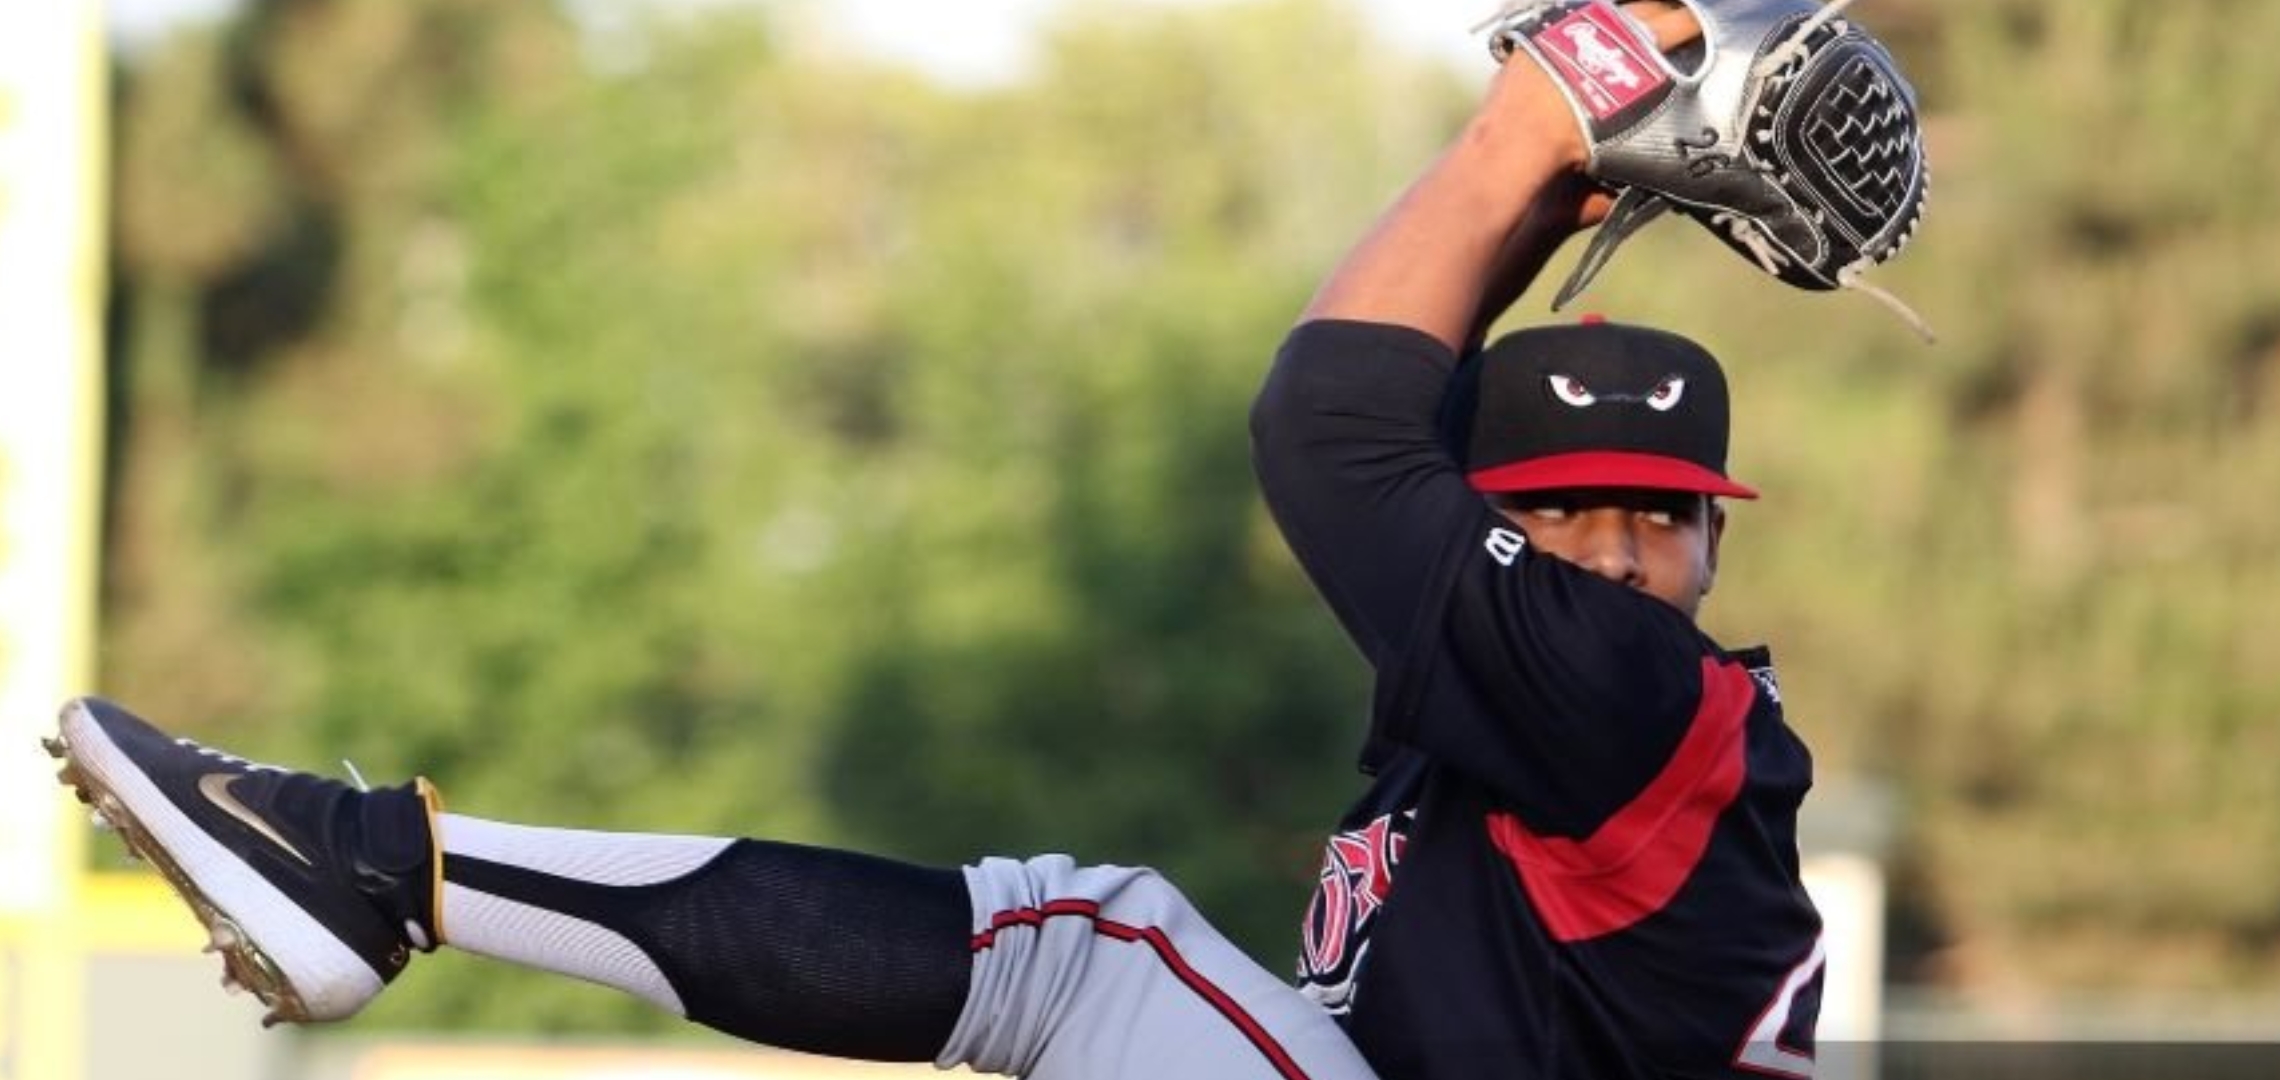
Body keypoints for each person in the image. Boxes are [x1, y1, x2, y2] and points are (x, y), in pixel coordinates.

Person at [47, 3, 1825, 1078]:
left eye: (1658, 519)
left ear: (1713, 552)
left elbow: (1324, 421)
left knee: (1084, 946)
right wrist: (1519, 198)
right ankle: (372, 873)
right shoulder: (1503, 710)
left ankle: (373, 869)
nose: (1608, 553)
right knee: (1080, 952)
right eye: (1558, 512)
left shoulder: (1630, 707)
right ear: (1485, 532)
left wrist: (1541, 110)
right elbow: (1386, 393)